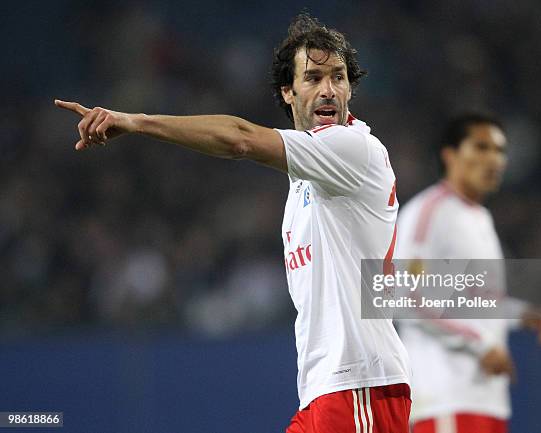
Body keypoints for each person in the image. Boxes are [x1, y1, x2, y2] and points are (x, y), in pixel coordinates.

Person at [55, 14, 411, 433]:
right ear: (288, 92)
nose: (329, 89)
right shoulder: (304, 179)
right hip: (325, 390)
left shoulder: (352, 147)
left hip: (361, 387)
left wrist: (136, 122)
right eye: (313, 77)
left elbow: (240, 139)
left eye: (339, 77)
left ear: (351, 88)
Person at [394, 113, 541, 433]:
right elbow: (405, 296)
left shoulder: (480, 218)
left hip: (485, 398)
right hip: (443, 396)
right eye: (481, 147)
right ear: (450, 155)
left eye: (500, 150)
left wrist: (517, 313)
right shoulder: (429, 212)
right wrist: (480, 343)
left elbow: (471, 297)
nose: (494, 159)